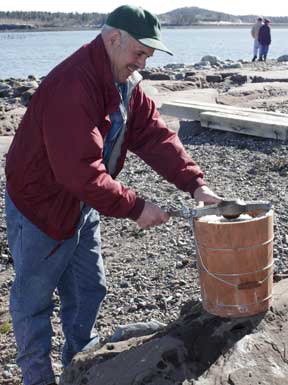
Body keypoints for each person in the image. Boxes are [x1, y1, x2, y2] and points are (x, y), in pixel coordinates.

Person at [5, 5, 221, 385]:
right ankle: (36, 378)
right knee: (34, 301)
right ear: (113, 39)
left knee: (89, 287)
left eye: (148, 56)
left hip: (82, 202)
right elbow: (79, 170)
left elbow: (154, 136)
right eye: (139, 53)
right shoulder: (73, 84)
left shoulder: (127, 83)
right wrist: (135, 207)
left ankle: (79, 363)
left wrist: (195, 184)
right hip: (40, 206)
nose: (142, 64)